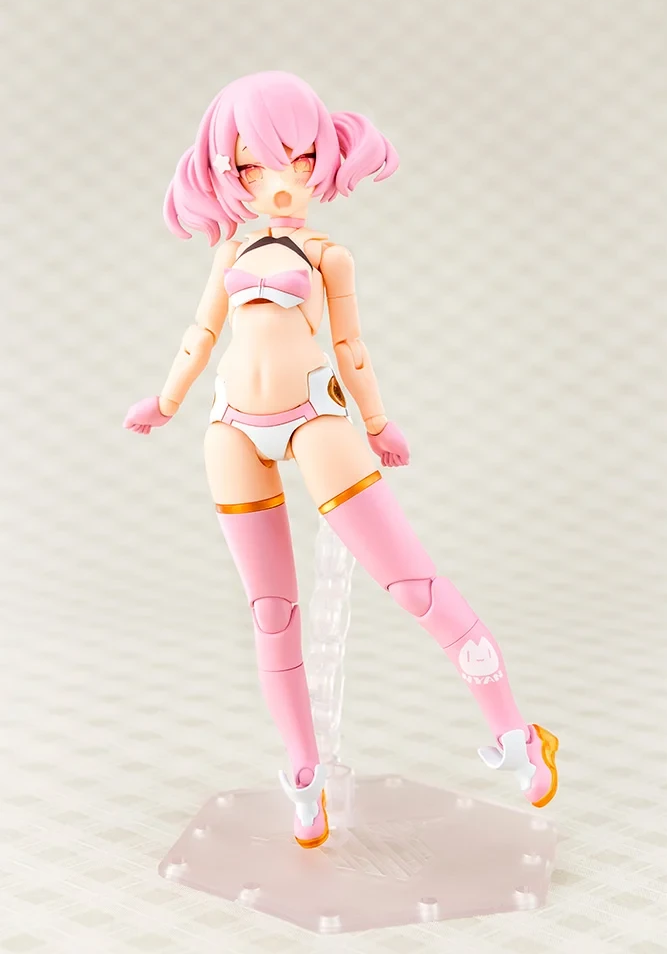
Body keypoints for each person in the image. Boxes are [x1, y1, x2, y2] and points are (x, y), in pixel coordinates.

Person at [123, 71, 559, 849]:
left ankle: (515, 734)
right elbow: (200, 333)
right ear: (228, 173)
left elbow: (350, 347)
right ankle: (302, 774)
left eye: (297, 160)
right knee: (271, 613)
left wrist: (378, 423)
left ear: (322, 160)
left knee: (412, 584)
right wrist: (165, 400)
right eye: (252, 165)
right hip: (230, 427)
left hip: (313, 417)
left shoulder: (327, 255)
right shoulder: (229, 249)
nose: (278, 181)